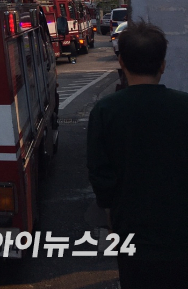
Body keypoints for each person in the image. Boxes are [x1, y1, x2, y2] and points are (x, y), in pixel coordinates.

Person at [87, 21, 188, 289]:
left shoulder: (105, 111)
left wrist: (111, 214)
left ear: (121, 62)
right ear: (162, 65)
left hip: (131, 234)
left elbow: (100, 175)